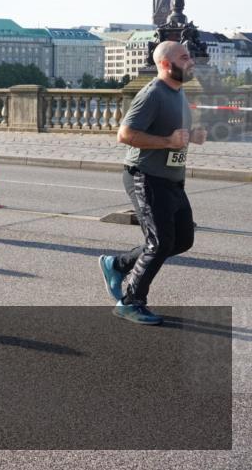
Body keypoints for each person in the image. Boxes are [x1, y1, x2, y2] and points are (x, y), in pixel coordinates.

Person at [99, 40, 206, 325]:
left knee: (182, 239)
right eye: (185, 57)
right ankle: (131, 302)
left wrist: (191, 136)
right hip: (145, 177)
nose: (191, 61)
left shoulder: (178, 93)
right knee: (159, 243)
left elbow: (174, 134)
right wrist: (167, 142)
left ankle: (117, 264)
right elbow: (125, 134)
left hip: (171, 181)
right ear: (166, 65)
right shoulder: (153, 93)